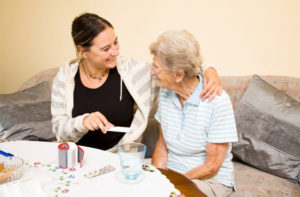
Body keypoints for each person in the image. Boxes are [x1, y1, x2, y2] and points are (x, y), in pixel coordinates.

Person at [51, 13, 223, 151]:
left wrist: (209, 70)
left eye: (116, 42)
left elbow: (177, 67)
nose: (116, 51)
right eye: (106, 49)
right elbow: (58, 129)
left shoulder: (132, 72)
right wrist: (83, 122)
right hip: (78, 158)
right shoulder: (65, 77)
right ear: (83, 51)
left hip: (120, 158)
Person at [150, 30, 238, 197]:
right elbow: (163, 145)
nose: (151, 72)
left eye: (156, 68)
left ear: (179, 75)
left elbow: (211, 167)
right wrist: (157, 178)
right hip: (173, 174)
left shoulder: (217, 101)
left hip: (209, 180)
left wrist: (173, 183)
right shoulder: (166, 92)